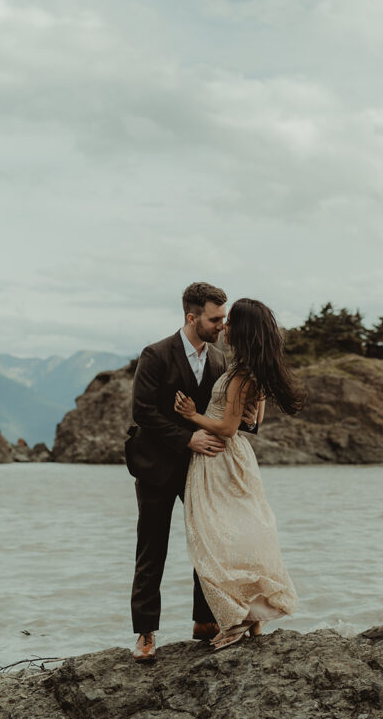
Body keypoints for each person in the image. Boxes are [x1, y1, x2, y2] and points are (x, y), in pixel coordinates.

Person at [125, 282, 258, 662]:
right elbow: (143, 412)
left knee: (209, 543)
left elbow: (223, 414)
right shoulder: (155, 354)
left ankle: (204, 621)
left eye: (223, 318)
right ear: (191, 317)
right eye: (215, 318)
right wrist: (188, 439)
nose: (221, 325)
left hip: (201, 470)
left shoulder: (219, 362)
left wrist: (248, 420)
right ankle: (146, 634)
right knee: (152, 549)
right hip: (154, 466)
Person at [174, 297, 302, 651]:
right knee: (239, 532)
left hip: (219, 457)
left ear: (241, 330)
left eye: (230, 322)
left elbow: (229, 428)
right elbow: (254, 422)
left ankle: (236, 620)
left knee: (213, 538)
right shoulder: (248, 371)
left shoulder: (243, 374)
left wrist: (191, 416)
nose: (225, 327)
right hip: (233, 459)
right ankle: (253, 616)